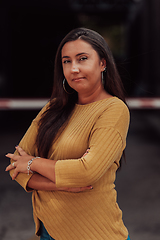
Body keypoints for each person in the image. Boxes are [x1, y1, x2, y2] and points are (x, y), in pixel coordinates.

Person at [5, 28, 130, 240]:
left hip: (95, 234)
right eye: (66, 61)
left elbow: (86, 172)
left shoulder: (113, 109)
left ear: (102, 63)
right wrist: (63, 182)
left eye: (82, 59)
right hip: (49, 231)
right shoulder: (53, 108)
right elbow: (14, 165)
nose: (74, 69)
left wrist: (32, 162)